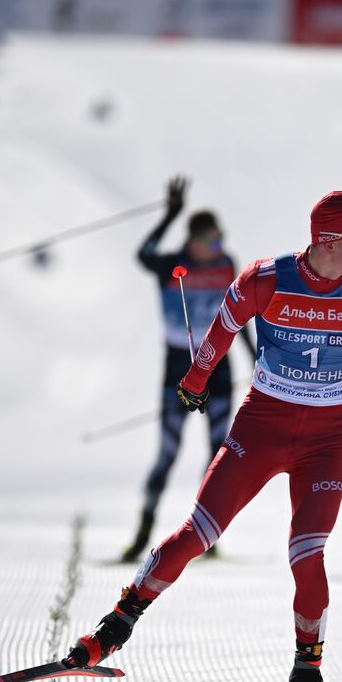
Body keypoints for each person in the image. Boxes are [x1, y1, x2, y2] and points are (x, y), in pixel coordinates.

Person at [68, 191, 342, 682]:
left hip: (327, 441)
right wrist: (195, 380)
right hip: (261, 428)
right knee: (197, 534)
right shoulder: (265, 279)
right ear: (328, 241)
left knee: (307, 553)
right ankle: (114, 627)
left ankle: (307, 675)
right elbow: (224, 325)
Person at [121, 176, 256, 564]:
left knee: (218, 455)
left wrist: (255, 357)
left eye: (220, 239)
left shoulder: (227, 263)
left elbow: (239, 315)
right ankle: (141, 535)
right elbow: (142, 254)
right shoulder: (170, 266)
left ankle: (206, 539)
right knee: (167, 453)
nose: (218, 248)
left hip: (218, 368)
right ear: (192, 241)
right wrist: (170, 215)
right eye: (210, 241)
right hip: (178, 371)